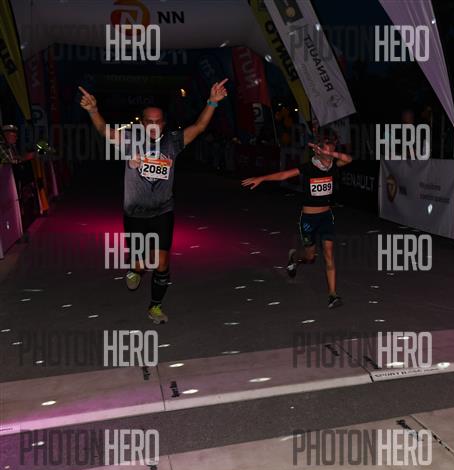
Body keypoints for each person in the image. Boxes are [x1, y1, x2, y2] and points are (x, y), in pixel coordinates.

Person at [78, 79, 229, 323]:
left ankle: (155, 307)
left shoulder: (173, 142)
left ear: (164, 124)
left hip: (163, 211)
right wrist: (93, 110)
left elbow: (200, 126)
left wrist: (212, 101)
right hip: (135, 213)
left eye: (158, 122)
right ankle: (135, 269)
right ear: (142, 123)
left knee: (161, 262)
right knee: (141, 265)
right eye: (149, 121)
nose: (154, 126)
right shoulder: (130, 139)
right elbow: (105, 131)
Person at [241, 130, 353, 309]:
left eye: (332, 152)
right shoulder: (308, 167)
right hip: (309, 218)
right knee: (310, 256)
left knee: (329, 254)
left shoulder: (333, 165)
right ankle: (294, 256)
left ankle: (333, 295)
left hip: (326, 217)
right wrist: (262, 178)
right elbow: (284, 175)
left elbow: (348, 159)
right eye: (326, 152)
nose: (329, 157)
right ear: (317, 151)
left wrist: (330, 154)